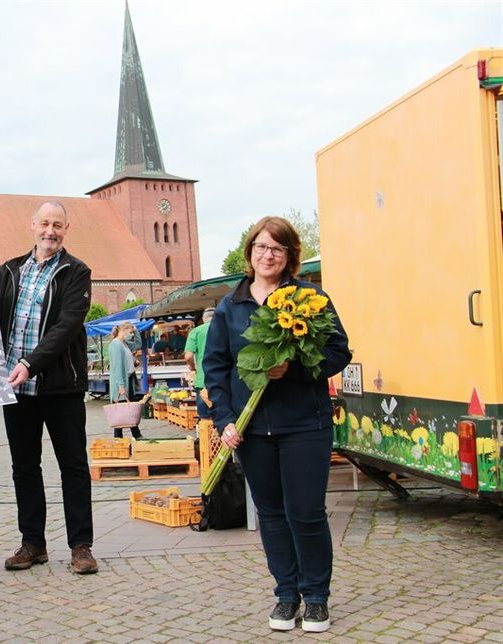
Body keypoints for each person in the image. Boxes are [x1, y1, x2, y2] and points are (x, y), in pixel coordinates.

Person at [202, 216, 351, 633]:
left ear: (289, 256)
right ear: (250, 252)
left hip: (305, 423)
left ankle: (317, 597)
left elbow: (339, 351)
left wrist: (298, 368)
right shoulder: (231, 307)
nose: (267, 255)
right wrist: (225, 420)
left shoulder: (310, 299)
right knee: (270, 515)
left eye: (277, 248)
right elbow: (215, 367)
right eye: (261, 247)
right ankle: (287, 595)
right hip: (252, 432)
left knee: (305, 513)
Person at [0, 200, 97, 575]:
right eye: (45, 224)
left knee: (73, 466)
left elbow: (67, 326)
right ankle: (33, 543)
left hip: (61, 387)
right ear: (33, 225)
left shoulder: (76, 272)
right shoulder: (9, 270)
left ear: (66, 229)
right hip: (16, 390)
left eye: (58, 225)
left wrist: (30, 363)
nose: (50, 231)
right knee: (24, 467)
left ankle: (81, 546)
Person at [108, 321, 143, 440]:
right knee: (121, 411)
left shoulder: (125, 344)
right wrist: (121, 385)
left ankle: (132, 435)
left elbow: (138, 343)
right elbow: (117, 367)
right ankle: (131, 436)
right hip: (121, 382)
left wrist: (135, 329)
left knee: (127, 409)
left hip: (129, 380)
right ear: (123, 330)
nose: (131, 334)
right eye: (130, 332)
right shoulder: (116, 344)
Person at [183, 307, 215, 420]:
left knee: (205, 417)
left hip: (203, 379)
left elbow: (188, 356)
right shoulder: (225, 329)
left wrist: (192, 367)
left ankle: (207, 437)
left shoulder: (196, 331)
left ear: (203, 319)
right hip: (224, 379)